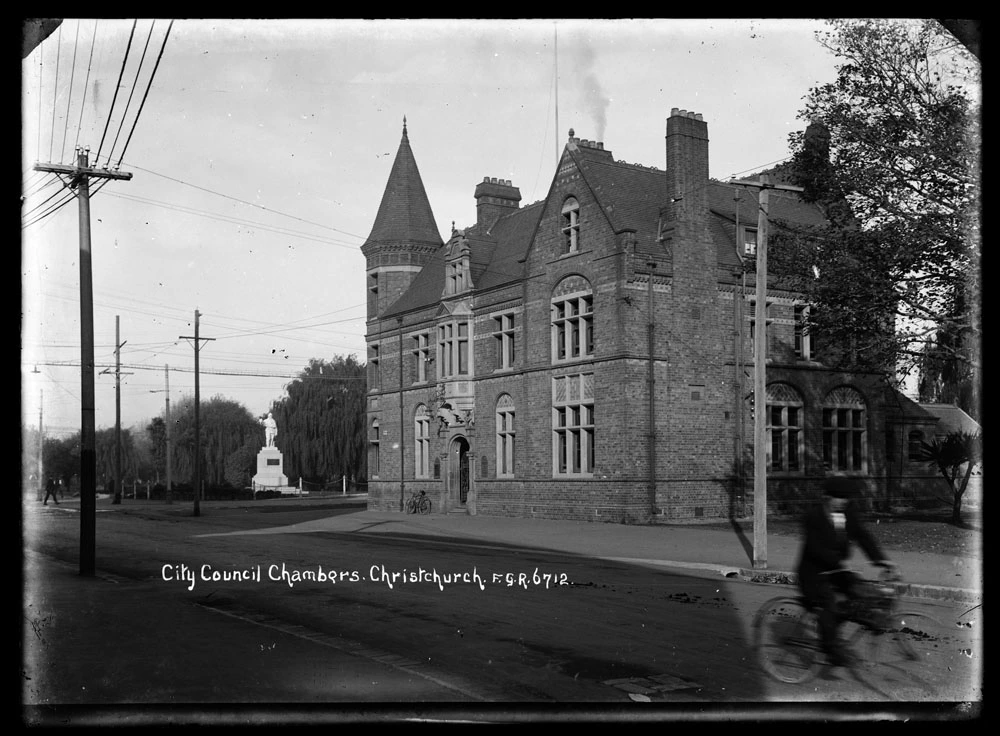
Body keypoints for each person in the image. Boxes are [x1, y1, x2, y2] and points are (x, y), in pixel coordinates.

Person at [795, 476, 895, 667]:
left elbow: (863, 537)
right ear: (826, 497)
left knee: (858, 594)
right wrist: (840, 563)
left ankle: (834, 629)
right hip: (813, 574)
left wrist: (881, 561)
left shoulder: (848, 513)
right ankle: (830, 648)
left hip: (837, 572)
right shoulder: (812, 516)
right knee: (829, 603)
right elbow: (814, 548)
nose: (843, 501)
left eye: (846, 497)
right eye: (838, 497)